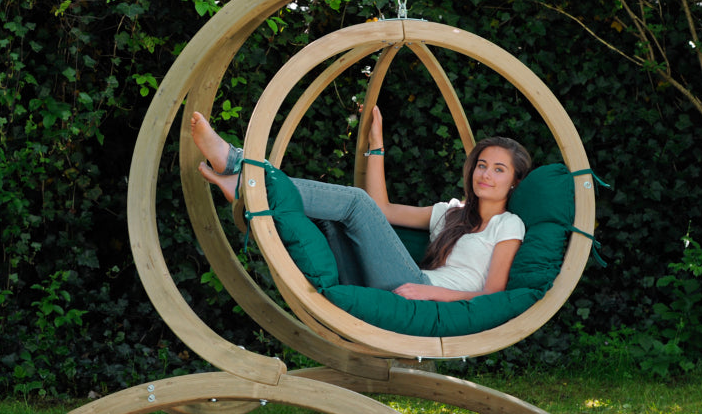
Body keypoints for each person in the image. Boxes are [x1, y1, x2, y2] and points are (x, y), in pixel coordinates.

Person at [190, 107, 530, 302]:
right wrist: (376, 146)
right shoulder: (452, 212)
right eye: (482, 165)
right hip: (405, 283)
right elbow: (383, 210)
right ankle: (246, 186)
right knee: (334, 220)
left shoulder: (508, 224)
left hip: (424, 291)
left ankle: (241, 169)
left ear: (514, 181)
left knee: (354, 202)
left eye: (499, 169)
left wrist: (432, 294)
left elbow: (493, 294)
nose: (486, 174)